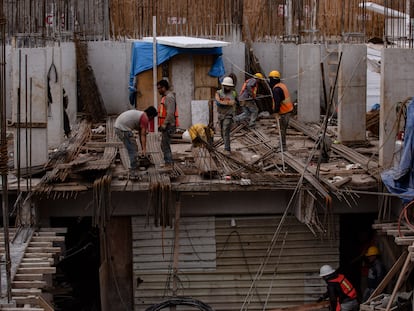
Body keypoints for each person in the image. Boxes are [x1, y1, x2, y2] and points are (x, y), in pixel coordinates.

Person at [114, 107, 158, 175]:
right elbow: (143, 135)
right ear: (151, 116)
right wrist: (144, 149)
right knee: (133, 149)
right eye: (152, 118)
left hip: (119, 126)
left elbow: (141, 134)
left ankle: (134, 165)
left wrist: (143, 148)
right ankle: (133, 171)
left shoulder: (141, 115)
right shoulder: (145, 118)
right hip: (122, 129)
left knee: (133, 147)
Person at [268, 70, 294, 151]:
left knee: (282, 130)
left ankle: (283, 147)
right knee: (283, 129)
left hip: (284, 112)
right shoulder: (282, 85)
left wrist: (276, 112)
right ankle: (281, 145)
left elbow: (277, 102)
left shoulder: (276, 89)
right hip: (288, 110)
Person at [157, 79, 179, 166]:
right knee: (164, 145)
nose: (158, 90)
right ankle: (168, 162)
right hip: (166, 125)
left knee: (165, 145)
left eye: (159, 88)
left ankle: (169, 163)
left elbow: (170, 113)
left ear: (164, 88)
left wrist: (164, 124)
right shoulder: (166, 97)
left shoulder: (169, 97)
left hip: (168, 125)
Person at [215, 77, 237, 154]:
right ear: (223, 85)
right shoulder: (218, 92)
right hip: (221, 115)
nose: (228, 87)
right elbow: (218, 102)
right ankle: (226, 145)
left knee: (225, 131)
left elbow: (233, 102)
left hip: (228, 115)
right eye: (226, 86)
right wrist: (226, 102)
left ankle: (227, 149)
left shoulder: (233, 93)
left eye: (229, 86)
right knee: (222, 133)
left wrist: (223, 101)